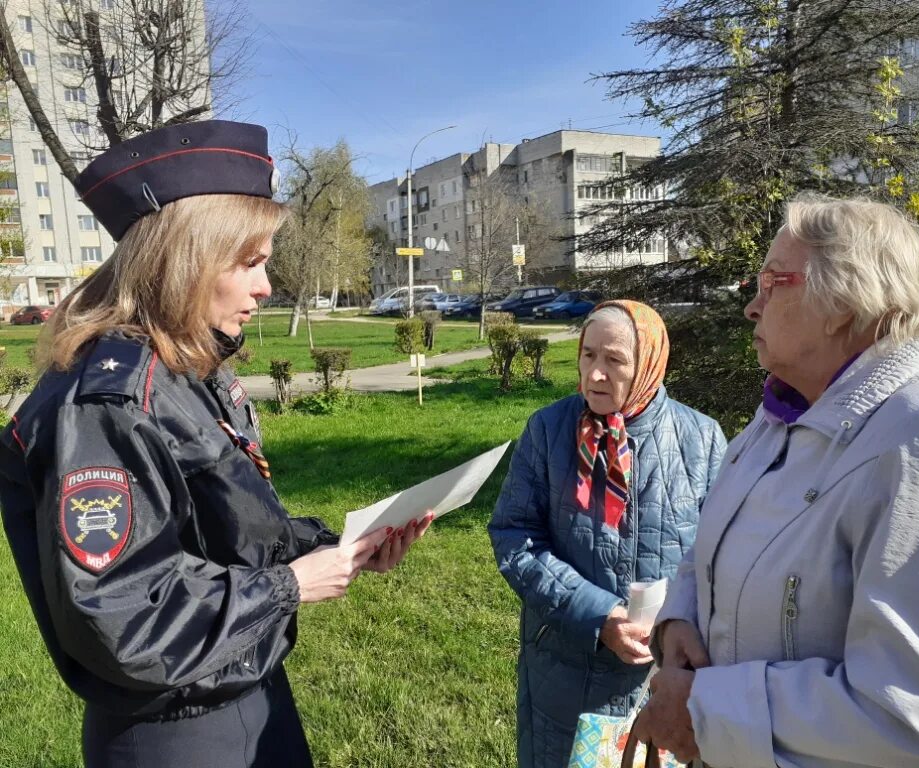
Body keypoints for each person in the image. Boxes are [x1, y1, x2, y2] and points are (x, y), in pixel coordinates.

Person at [0, 120, 431, 768]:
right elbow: (121, 619)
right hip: (176, 732)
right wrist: (289, 587)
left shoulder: (184, 370)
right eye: (250, 262)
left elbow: (222, 529)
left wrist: (341, 547)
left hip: (241, 689)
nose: (265, 286)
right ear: (185, 259)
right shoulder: (107, 403)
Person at [635, 195, 919, 767]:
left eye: (773, 283)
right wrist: (680, 620)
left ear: (843, 301)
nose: (752, 307)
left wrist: (706, 710)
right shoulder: (780, 419)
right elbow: (712, 544)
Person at [489, 299, 727, 768]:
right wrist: (599, 616)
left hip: (664, 681)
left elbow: (722, 552)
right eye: (588, 355)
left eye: (614, 360)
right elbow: (515, 536)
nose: (595, 374)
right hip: (565, 673)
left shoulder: (701, 439)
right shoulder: (548, 431)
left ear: (649, 365)